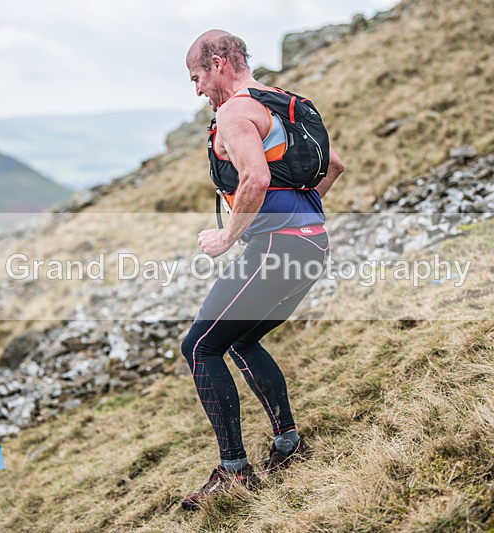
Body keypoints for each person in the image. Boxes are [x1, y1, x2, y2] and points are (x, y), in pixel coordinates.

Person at [179, 29, 345, 511]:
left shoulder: (234, 111)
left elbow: (256, 177)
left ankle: (234, 472)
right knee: (241, 340)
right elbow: (334, 165)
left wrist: (227, 237)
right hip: (311, 245)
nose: (197, 91)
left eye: (197, 78)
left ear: (218, 63)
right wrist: (299, 223)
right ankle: (288, 445)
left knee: (200, 346)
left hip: (275, 249)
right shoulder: (283, 103)